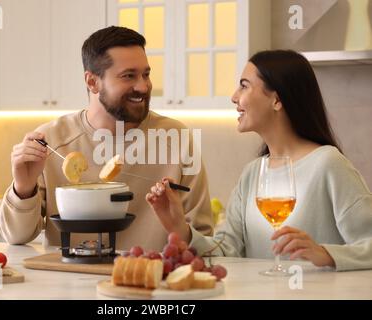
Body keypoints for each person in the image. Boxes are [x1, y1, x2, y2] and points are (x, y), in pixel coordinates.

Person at [146, 50, 372, 271]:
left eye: (244, 85)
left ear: (276, 100)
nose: (234, 97)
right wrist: (180, 228)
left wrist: (325, 253)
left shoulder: (328, 163)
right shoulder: (253, 173)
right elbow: (227, 250)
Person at [0, 26, 214, 251]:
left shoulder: (176, 139)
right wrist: (23, 187)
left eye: (146, 74)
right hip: (68, 282)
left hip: (150, 280)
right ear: (92, 82)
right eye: (129, 76)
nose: (143, 86)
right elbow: (16, 237)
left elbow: (205, 241)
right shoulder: (51, 141)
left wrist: (178, 227)